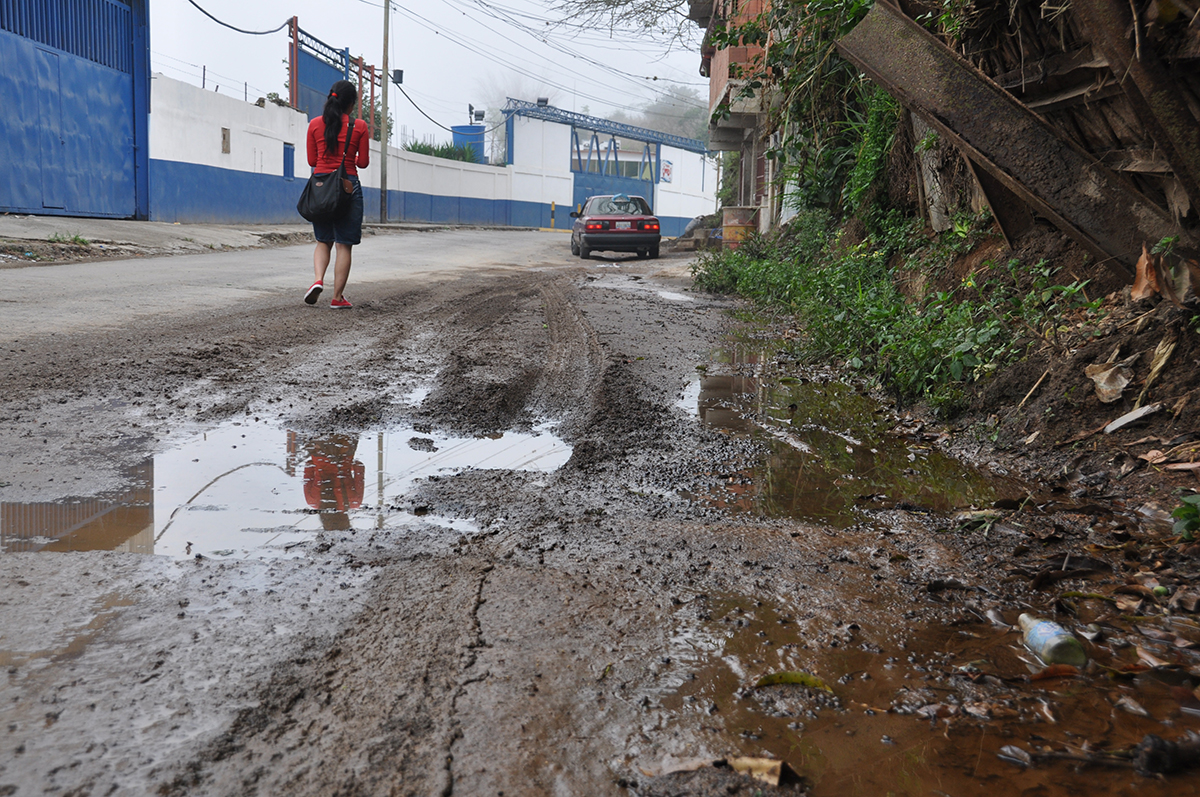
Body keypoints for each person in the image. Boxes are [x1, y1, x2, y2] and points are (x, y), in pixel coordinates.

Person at [303, 79, 369, 309]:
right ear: (350, 104)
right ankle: (337, 298)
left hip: (321, 187)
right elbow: (363, 163)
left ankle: (318, 280)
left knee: (323, 241)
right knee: (344, 244)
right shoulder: (358, 126)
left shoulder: (314, 124)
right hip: (347, 186)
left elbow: (312, 161)